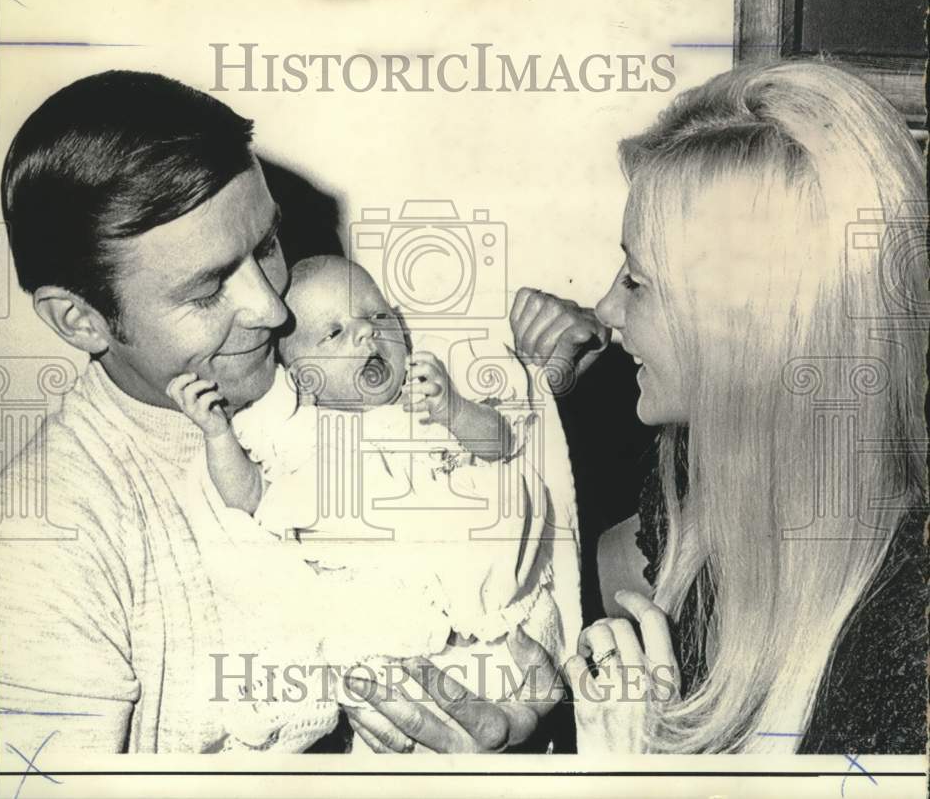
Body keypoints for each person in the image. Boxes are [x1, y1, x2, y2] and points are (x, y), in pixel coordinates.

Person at [0, 71, 562, 754]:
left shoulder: (329, 363)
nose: (274, 309)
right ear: (81, 320)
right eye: (210, 288)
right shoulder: (43, 544)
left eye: (267, 246)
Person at [351, 59, 926, 755]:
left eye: (637, 281)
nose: (604, 308)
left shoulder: (903, 643)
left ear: (749, 330)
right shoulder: (688, 478)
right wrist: (535, 729)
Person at [169, 254, 566, 752]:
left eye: (378, 318)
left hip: (484, 614)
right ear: (298, 377)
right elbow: (248, 496)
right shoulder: (297, 439)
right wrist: (217, 434)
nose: (366, 335)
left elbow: (501, 447)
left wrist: (453, 410)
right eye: (333, 334)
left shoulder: (426, 405)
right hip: (390, 629)